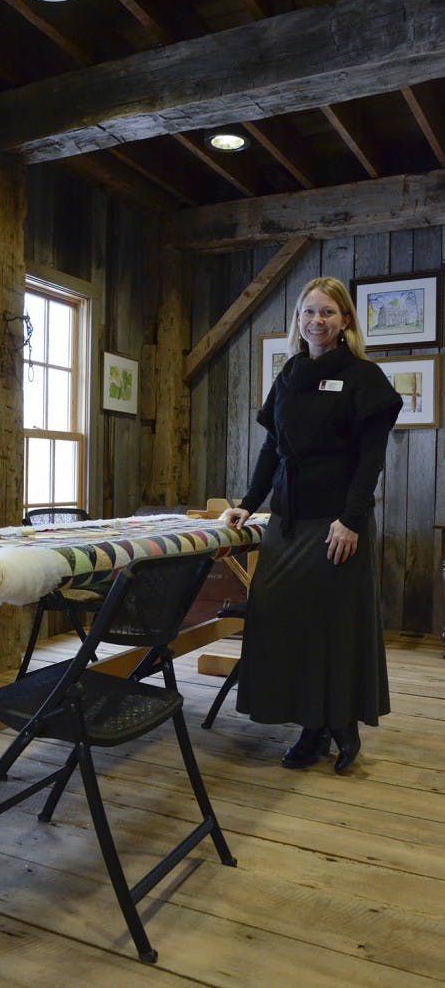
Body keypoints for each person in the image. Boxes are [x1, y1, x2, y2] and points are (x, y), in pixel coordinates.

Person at [223, 277, 402, 774]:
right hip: (287, 518)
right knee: (278, 615)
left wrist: (351, 520)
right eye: (308, 312)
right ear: (298, 320)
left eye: (327, 312)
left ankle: (337, 725)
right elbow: (270, 450)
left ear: (345, 320)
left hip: (336, 521)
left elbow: (371, 459)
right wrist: (249, 502)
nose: (316, 321)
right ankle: (310, 722)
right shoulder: (289, 375)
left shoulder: (364, 377)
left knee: (333, 627)